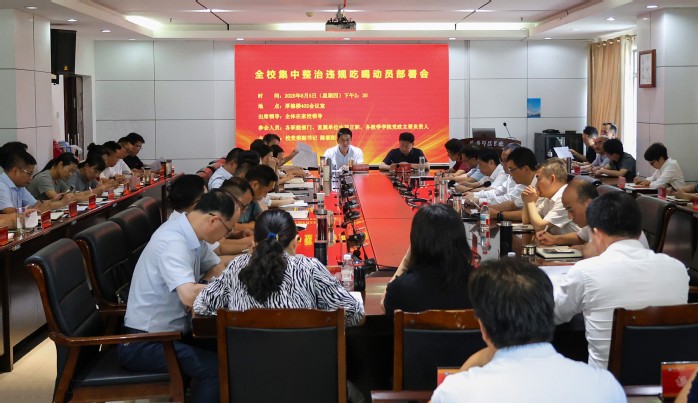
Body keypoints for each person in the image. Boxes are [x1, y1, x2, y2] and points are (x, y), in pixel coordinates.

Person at [431, 258, 625, 403]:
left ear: (483, 327)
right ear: (548, 314)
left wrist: (470, 365)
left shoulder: (455, 393)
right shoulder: (605, 387)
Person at [119, 190, 239, 403]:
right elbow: (188, 297)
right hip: (145, 342)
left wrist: (207, 285)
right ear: (214, 220)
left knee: (234, 348)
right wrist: (226, 289)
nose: (225, 236)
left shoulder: (192, 235)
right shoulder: (173, 241)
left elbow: (216, 267)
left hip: (173, 333)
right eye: (228, 229)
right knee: (215, 370)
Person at [554, 192, 689, 368]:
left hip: (606, 380)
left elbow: (554, 315)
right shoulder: (677, 269)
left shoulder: (585, 271)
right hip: (666, 380)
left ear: (597, 234)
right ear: (639, 232)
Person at [193, 209, 365, 327]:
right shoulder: (309, 268)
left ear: (254, 243)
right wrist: (318, 319)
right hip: (305, 367)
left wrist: (233, 318)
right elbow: (354, 313)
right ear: (295, 242)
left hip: (247, 368)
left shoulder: (236, 267)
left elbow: (201, 305)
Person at [382, 204, 473, 316]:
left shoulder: (401, 289)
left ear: (416, 241)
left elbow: (384, 303)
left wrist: (407, 259)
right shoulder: (482, 283)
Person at [0, 150, 72, 214]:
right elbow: (11, 213)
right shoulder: (1, 185)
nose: (31, 178)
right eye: (29, 173)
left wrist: (52, 201)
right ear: (16, 171)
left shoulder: (19, 186)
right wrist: (61, 203)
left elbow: (35, 205)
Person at [521, 158, 579, 235]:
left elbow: (539, 227)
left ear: (552, 179)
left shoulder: (565, 197)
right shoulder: (549, 198)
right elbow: (527, 221)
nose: (536, 184)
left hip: (573, 242)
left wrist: (531, 202)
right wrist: (527, 201)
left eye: (538, 179)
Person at [487, 147, 538, 223]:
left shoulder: (540, 184)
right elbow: (513, 204)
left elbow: (533, 214)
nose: (510, 174)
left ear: (525, 169)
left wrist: (498, 214)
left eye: (511, 170)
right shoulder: (527, 185)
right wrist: (488, 209)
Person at [237, 164, 278, 230]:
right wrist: (254, 225)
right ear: (254, 185)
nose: (265, 196)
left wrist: (251, 224)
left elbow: (262, 219)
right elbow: (232, 227)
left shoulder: (253, 200)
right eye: (265, 191)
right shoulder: (234, 198)